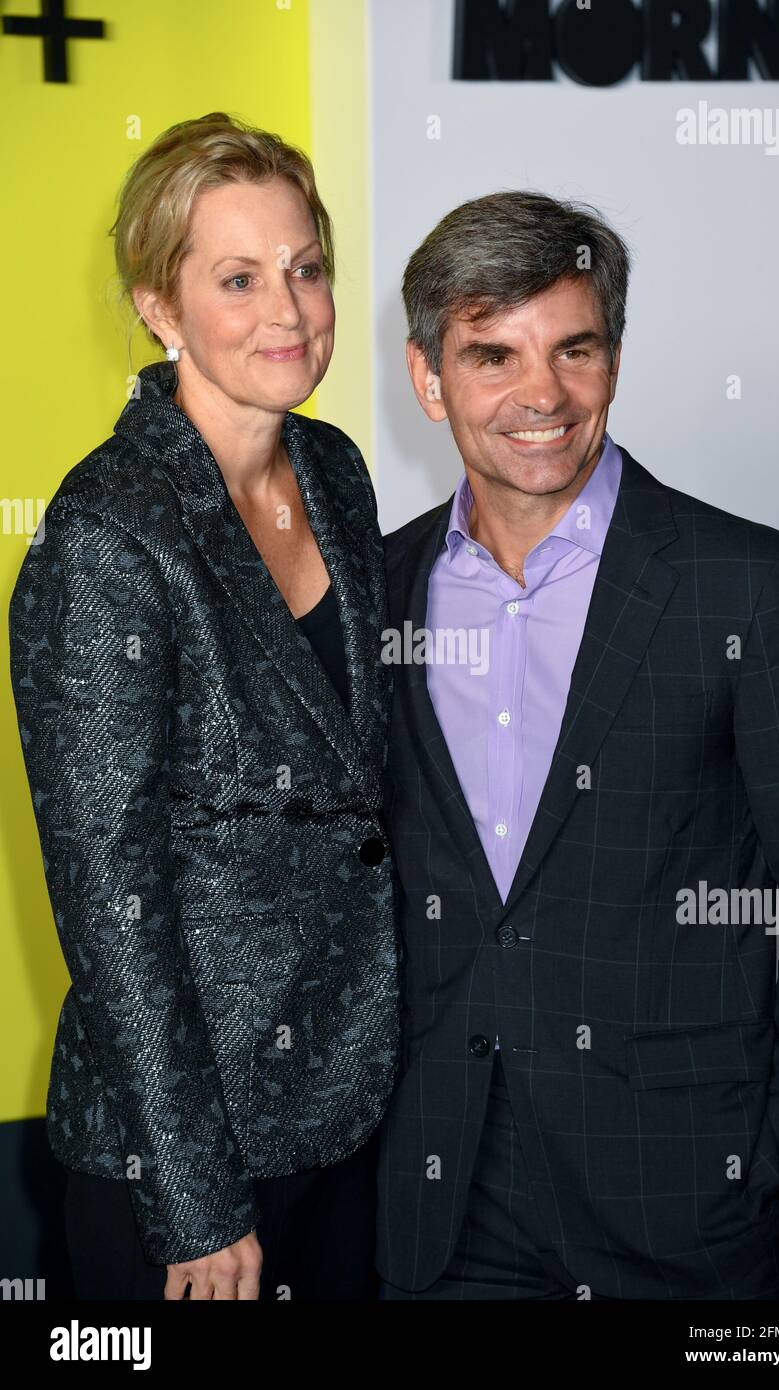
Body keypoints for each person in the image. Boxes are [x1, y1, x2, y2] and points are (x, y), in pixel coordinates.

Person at [375, 190, 779, 1300]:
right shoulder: (374, 591)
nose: (539, 394)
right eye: (491, 354)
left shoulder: (749, 585)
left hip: (693, 1206)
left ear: (614, 357)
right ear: (427, 377)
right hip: (441, 1209)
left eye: (575, 348)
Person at [8, 112, 399, 1301]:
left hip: (347, 1111)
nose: (289, 311)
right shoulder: (106, 531)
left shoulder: (334, 469)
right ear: (160, 308)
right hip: (181, 1159)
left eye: (306, 267)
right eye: (239, 278)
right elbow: (109, 897)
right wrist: (192, 1200)